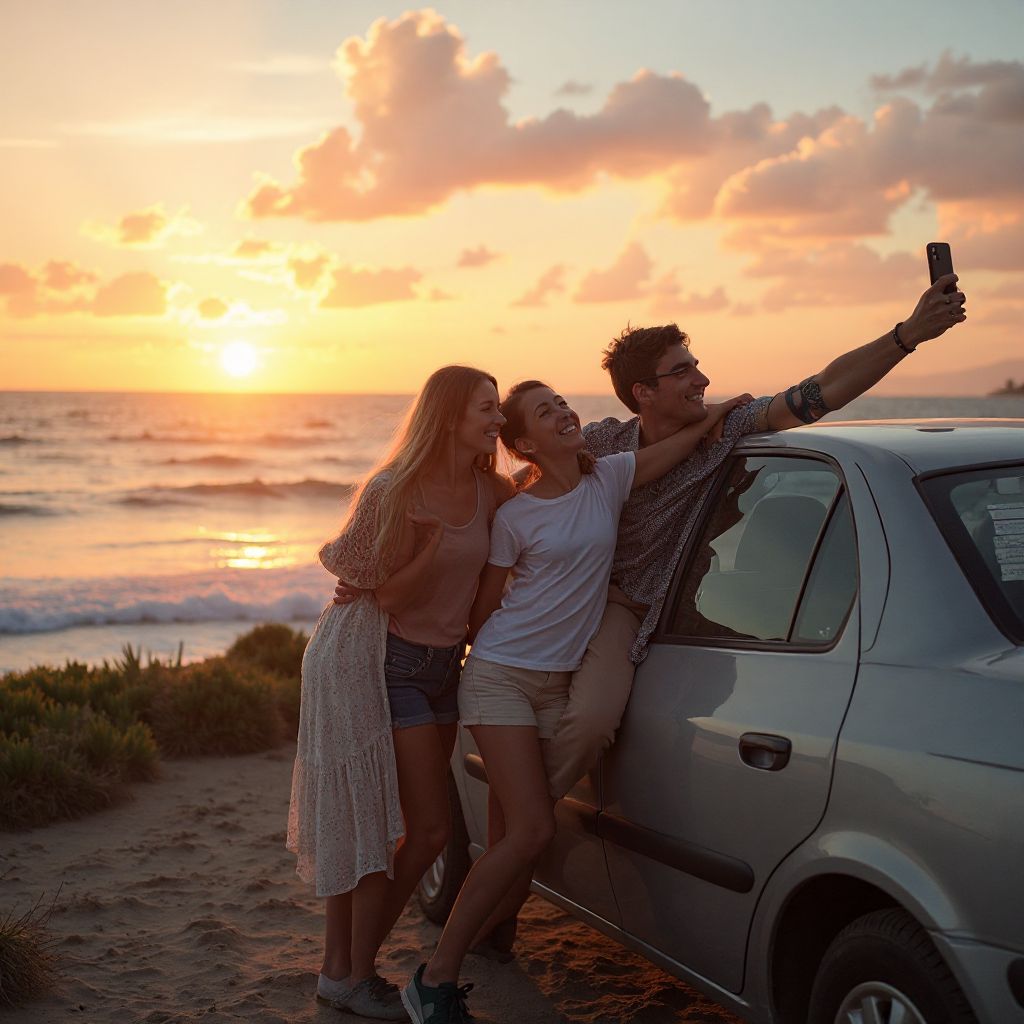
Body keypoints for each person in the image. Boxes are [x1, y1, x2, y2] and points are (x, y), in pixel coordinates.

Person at [400, 380, 751, 1024]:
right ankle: (434, 978)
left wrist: (718, 415)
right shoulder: (516, 515)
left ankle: (481, 936)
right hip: (502, 676)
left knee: (516, 833)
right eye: (545, 411)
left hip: (555, 683)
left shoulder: (608, 479)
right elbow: (486, 605)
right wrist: (450, 658)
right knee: (533, 828)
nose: (563, 412)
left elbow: (672, 449)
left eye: (562, 402)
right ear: (524, 444)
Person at [541, 272, 969, 800]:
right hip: (568, 600)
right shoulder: (606, 441)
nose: (702, 379)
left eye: (696, 366)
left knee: (588, 723)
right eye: (682, 372)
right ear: (643, 393)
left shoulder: (731, 432)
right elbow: (528, 489)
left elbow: (823, 390)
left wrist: (907, 335)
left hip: (632, 610)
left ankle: (526, 829)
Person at [287, 365, 511, 1020]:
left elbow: (542, 520)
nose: (498, 421)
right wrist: (428, 547)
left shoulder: (490, 490)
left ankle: (344, 972)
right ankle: (352, 974)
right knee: (422, 827)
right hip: (383, 661)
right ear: (448, 417)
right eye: (486, 409)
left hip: (445, 665)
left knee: (411, 830)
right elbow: (378, 594)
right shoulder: (395, 489)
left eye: (499, 409)